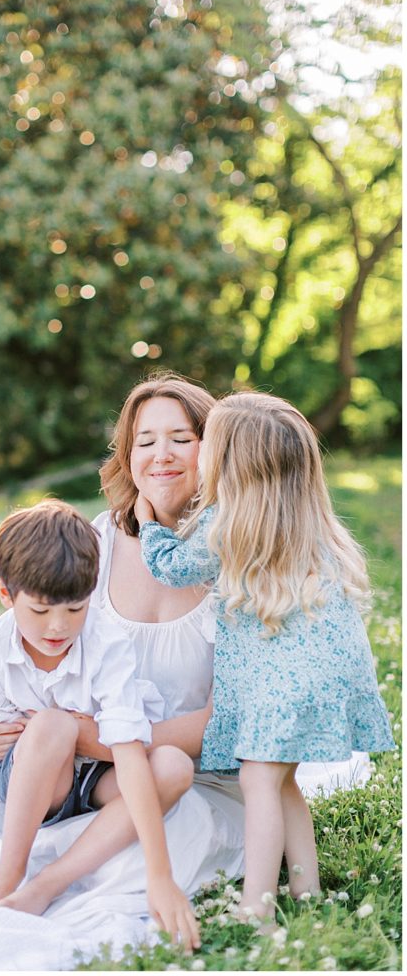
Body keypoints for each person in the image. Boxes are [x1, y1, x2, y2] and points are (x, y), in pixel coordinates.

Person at [0, 374, 235, 919]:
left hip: (158, 762)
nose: (162, 455)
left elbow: (233, 715)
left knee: (171, 802)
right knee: (54, 738)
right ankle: (13, 877)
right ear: (127, 455)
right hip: (57, 759)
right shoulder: (95, 539)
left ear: (214, 446)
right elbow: (24, 657)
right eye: (145, 441)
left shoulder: (237, 556)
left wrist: (99, 737)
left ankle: (45, 887)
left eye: (181, 437)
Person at [135, 391, 395, 926]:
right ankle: (305, 888)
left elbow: (171, 569)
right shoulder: (297, 517)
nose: (197, 447)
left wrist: (149, 526)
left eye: (206, 441)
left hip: (284, 685)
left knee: (257, 782)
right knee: (282, 781)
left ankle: (257, 905)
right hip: (329, 674)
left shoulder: (225, 524)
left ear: (226, 463)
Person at [0, 499, 200, 949]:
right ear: (4, 593)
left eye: (75, 610)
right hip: (37, 778)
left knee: (172, 766)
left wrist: (160, 875)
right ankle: (8, 876)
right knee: (54, 726)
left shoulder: (107, 645)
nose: (58, 627)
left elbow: (129, 751)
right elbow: (3, 736)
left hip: (95, 776)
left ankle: (48, 884)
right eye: (39, 611)